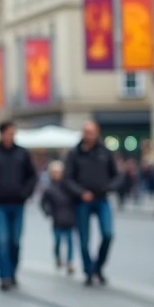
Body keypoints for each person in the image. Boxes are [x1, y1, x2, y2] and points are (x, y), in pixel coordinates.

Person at [0, 121, 37, 291]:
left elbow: (31, 176)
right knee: (2, 240)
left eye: (13, 133)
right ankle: (4, 275)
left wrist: (25, 193)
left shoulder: (22, 153)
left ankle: (12, 272)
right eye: (8, 133)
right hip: (0, 204)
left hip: (18, 203)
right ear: (1, 134)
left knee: (15, 241)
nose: (10, 136)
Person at [64, 121, 119, 287]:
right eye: (85, 132)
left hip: (102, 198)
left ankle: (98, 267)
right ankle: (88, 270)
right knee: (84, 238)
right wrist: (81, 192)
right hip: (83, 201)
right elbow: (68, 179)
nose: (88, 135)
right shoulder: (74, 153)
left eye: (91, 132)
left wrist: (109, 187)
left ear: (97, 133)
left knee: (108, 234)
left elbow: (116, 175)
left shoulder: (105, 152)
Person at [40, 161, 77, 275]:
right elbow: (44, 203)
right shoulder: (49, 188)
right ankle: (58, 258)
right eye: (55, 172)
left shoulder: (68, 186)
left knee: (70, 241)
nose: (57, 175)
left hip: (69, 218)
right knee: (57, 241)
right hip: (57, 219)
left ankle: (70, 262)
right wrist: (48, 212)